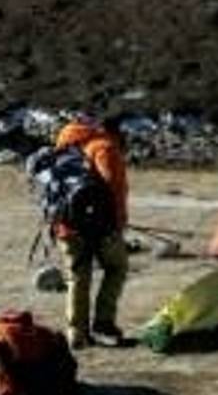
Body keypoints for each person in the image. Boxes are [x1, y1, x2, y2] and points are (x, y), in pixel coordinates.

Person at [52, 114, 129, 350]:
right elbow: (114, 190)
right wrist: (117, 225)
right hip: (101, 226)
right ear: (116, 132)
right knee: (117, 267)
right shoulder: (105, 148)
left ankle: (76, 333)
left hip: (66, 224)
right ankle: (103, 322)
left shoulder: (67, 146)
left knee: (78, 277)